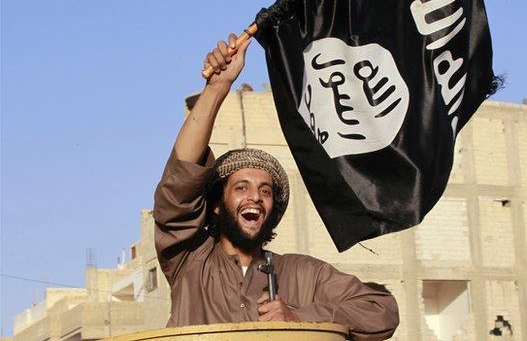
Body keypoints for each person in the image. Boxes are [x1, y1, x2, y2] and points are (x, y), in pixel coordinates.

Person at [153, 34, 400, 340]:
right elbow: (179, 183)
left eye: (265, 190)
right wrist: (217, 88)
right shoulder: (190, 262)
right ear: (216, 204)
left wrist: (300, 317)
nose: (255, 196)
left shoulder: (301, 274)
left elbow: (382, 310)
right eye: (241, 187)